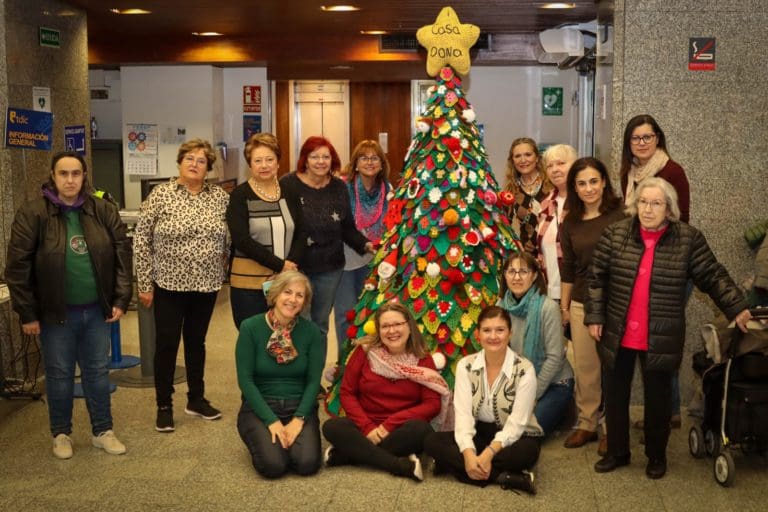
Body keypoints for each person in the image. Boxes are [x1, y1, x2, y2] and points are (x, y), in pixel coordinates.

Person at [586, 177, 751, 479]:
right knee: (615, 394)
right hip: (617, 331)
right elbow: (596, 278)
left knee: (658, 399)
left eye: (656, 203)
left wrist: (737, 306)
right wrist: (595, 317)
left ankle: (656, 456)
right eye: (643, 202)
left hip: (660, 334)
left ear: (670, 209)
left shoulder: (688, 239)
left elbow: (713, 275)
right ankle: (617, 452)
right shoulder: (616, 234)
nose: (648, 210)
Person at [4, 151, 132, 459]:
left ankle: (103, 431)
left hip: (97, 311)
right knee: (59, 375)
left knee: (98, 373)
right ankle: (61, 434)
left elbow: (121, 257)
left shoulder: (102, 209)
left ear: (85, 176)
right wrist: (28, 313)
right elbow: (17, 267)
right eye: (64, 173)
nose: (70, 179)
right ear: (52, 175)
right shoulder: (32, 213)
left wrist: (120, 298)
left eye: (76, 173)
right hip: (54, 315)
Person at [134, 138, 229, 432]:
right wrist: (144, 282)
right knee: (166, 344)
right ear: (179, 162)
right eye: (189, 158)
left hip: (207, 284)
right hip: (168, 285)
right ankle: (164, 404)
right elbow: (141, 239)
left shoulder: (219, 198)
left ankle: (196, 399)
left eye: (201, 161)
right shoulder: (160, 195)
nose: (194, 164)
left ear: (208, 168)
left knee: (196, 344)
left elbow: (231, 235)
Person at [323, 302, 450, 481]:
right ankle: (397, 464)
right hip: (365, 426)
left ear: (409, 325)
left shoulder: (422, 357)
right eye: (385, 326)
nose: (392, 331)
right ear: (379, 330)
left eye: (397, 324)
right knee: (332, 427)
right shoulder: (365, 351)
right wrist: (368, 428)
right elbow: (347, 393)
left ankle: (348, 455)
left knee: (421, 430)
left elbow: (432, 404)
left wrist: (388, 425)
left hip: (401, 429)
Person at [620, 114, 692, 430]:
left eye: (647, 137)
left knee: (661, 342)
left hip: (668, 267)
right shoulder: (630, 171)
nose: (642, 143)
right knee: (647, 343)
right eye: (636, 138)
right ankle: (665, 412)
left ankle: (667, 413)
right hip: (640, 263)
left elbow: (680, 219)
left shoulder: (672, 171)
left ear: (658, 138)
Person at [424, 306, 543, 495]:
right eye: (487, 330)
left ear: (510, 333)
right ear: (478, 334)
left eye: (500, 330)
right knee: (432, 441)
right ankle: (506, 477)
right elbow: (463, 416)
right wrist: (469, 454)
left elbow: (517, 424)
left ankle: (455, 467)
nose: (493, 336)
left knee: (526, 454)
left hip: (516, 437)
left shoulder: (525, 370)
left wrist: (488, 454)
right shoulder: (466, 365)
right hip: (480, 432)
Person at [280, 136, 373, 362]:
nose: (320, 161)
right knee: (296, 323)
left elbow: (347, 229)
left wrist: (367, 245)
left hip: (329, 268)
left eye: (325, 156)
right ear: (305, 159)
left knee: (320, 326)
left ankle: (315, 380)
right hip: (296, 267)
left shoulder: (338, 187)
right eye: (314, 156)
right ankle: (296, 378)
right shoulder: (288, 184)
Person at [559, 157, 625, 453]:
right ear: (574, 187)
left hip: (616, 303)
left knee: (613, 368)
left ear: (604, 182)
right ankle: (587, 423)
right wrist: (564, 306)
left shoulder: (622, 214)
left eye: (593, 181)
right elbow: (569, 268)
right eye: (581, 183)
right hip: (582, 303)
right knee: (585, 369)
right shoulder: (570, 222)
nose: (588, 189)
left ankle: (612, 428)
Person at [235, 270, 324, 478]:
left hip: (298, 405)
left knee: (307, 464)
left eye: (300, 295)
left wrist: (299, 419)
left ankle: (284, 442)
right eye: (287, 292)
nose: (293, 299)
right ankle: (268, 440)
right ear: (275, 295)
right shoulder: (250, 327)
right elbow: (245, 381)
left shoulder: (310, 332)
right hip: (260, 406)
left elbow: (313, 381)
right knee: (274, 467)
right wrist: (271, 421)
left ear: (304, 302)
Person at [226, 133, 303, 328]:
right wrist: (280, 265)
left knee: (284, 339)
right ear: (250, 165)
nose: (264, 165)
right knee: (253, 337)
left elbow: (302, 232)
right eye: (258, 160)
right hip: (248, 285)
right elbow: (242, 240)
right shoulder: (240, 195)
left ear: (278, 163)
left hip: (285, 283)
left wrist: (289, 267)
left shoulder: (290, 192)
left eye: (270, 159)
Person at [499, 253, 574, 437]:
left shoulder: (547, 307)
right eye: (512, 271)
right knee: (496, 424)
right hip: (518, 383)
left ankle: (563, 408)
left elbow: (554, 357)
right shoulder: (500, 306)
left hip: (554, 383)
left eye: (523, 271)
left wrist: (531, 395)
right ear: (505, 276)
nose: (517, 277)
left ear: (533, 276)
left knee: (526, 432)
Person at [332, 140, 391, 362]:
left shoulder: (388, 189)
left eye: (374, 158)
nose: (369, 162)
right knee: (345, 314)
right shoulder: (342, 187)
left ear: (381, 163)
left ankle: (367, 362)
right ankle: (344, 363)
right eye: (363, 158)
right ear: (355, 164)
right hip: (346, 260)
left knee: (371, 312)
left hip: (375, 260)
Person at [536, 144, 577, 301]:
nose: (554, 169)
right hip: (549, 291)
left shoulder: (583, 202)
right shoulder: (546, 203)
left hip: (576, 293)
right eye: (550, 166)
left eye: (561, 163)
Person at [503, 137, 552, 255]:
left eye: (528, 154)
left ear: (537, 158)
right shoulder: (511, 191)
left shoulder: (551, 185)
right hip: (528, 256)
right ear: (513, 161)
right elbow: (505, 227)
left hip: (552, 252)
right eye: (517, 156)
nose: (523, 160)